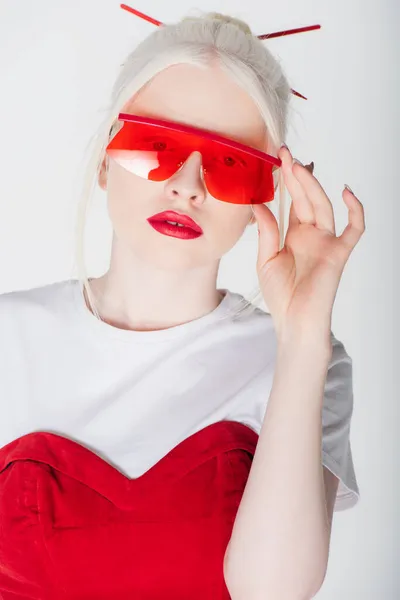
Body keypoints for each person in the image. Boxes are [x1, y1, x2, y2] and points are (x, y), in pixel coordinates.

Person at [0, 8, 365, 600]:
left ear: (267, 193)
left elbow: (272, 593)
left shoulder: (310, 360)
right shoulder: (6, 338)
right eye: (157, 144)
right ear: (103, 160)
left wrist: (301, 341)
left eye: (230, 163)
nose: (188, 185)